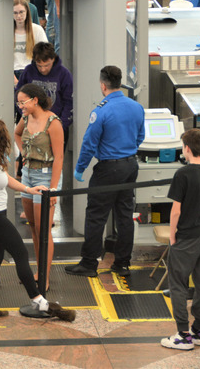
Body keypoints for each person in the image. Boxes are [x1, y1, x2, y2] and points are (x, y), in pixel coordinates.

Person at [0, 119, 75, 322]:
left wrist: (28, 189)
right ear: (1, 137)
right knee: (20, 253)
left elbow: (6, 179)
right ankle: (39, 301)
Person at [65, 66, 145, 277]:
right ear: (120, 82)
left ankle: (89, 263)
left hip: (108, 168)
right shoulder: (136, 107)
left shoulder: (101, 110)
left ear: (103, 85)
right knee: (125, 215)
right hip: (130, 165)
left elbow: (89, 143)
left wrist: (80, 168)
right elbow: (140, 136)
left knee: (96, 215)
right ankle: (122, 263)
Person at [160, 129, 200, 351]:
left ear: (187, 148)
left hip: (186, 237)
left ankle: (183, 335)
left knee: (178, 284)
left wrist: (173, 235)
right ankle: (199, 332)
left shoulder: (182, 174)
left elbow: (176, 211)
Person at [14, 84, 64, 291]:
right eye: (18, 102)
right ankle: (38, 270)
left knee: (44, 230)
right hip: (27, 174)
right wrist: (24, 153)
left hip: (45, 177)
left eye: (22, 102)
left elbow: (59, 157)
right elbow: (17, 134)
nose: (20, 106)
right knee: (33, 227)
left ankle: (45, 275)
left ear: (35, 100)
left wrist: (53, 189)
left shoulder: (53, 123)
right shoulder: (25, 119)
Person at [16, 42, 74, 145]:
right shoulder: (28, 71)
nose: (43, 69)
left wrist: (60, 126)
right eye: (39, 66)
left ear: (53, 59)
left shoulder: (64, 74)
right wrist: (26, 119)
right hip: (30, 126)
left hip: (55, 127)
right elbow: (18, 96)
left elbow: (69, 102)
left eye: (47, 65)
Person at [13, 0, 48, 84]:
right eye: (15, 13)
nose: (19, 16)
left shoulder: (37, 29)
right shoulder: (5, 31)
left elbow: (45, 55)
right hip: (11, 72)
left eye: (21, 12)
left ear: (27, 12)